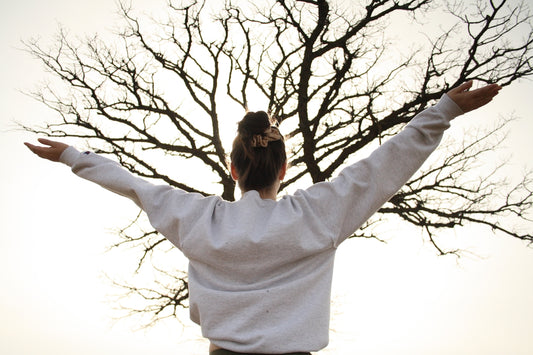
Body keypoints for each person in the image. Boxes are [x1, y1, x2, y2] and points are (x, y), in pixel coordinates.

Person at [25, 81, 501, 355]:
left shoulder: (200, 219)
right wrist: (443, 110)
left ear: (232, 168)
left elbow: (134, 184)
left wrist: (73, 155)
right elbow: (384, 166)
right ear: (286, 168)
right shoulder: (318, 214)